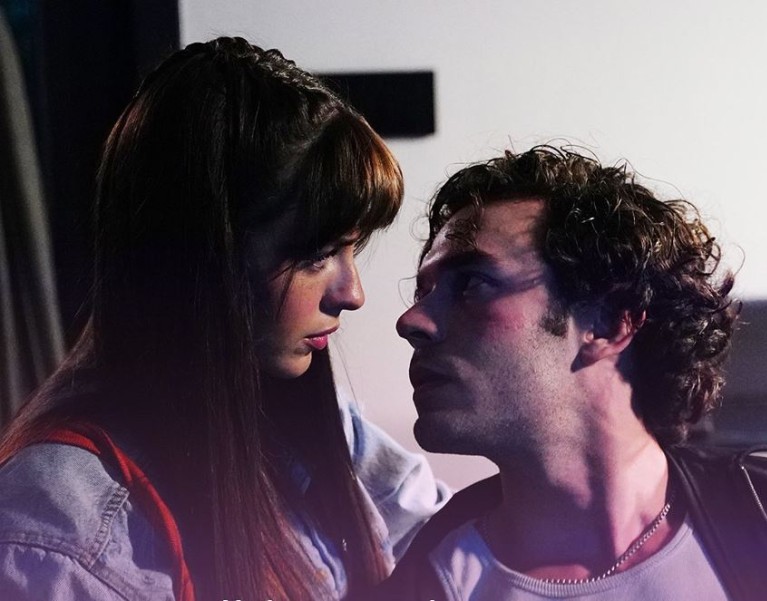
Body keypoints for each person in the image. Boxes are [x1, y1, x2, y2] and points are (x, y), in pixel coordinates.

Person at [0, 37, 449, 601]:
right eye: (316, 255)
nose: (352, 294)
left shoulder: (317, 424)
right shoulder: (63, 530)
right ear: (202, 260)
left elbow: (448, 552)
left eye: (352, 249)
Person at [379, 145, 767, 600]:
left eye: (472, 284)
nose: (411, 321)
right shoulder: (426, 581)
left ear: (609, 321)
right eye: (423, 293)